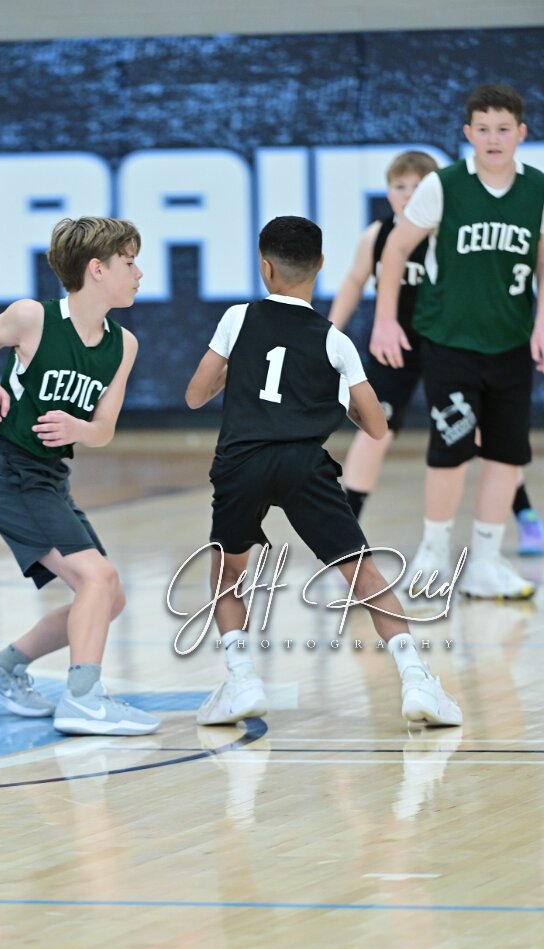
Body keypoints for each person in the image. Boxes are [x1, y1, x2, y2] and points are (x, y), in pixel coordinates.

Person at [184, 215, 461, 729]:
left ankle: (241, 679)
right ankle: (417, 679)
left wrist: (233, 374)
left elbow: (196, 395)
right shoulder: (334, 340)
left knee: (228, 571)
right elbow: (376, 426)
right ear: (321, 267)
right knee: (364, 574)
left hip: (241, 461)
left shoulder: (238, 318)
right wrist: (344, 403)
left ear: (265, 267)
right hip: (303, 464)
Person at [0, 216, 160, 737]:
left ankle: (1, 668)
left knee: (107, 596)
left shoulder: (124, 345)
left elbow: (104, 430)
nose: (139, 273)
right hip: (9, 471)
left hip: (49, 478)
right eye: (129, 263)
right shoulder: (33, 317)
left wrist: (79, 428)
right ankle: (84, 697)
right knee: (98, 580)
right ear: (97, 269)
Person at [370, 83, 544, 599]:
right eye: (483, 129)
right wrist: (385, 320)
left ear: (521, 133)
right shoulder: (443, 185)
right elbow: (395, 249)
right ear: (468, 133)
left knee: (507, 456)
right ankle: (434, 555)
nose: (493, 139)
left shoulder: (537, 188)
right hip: (449, 341)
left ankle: (485, 563)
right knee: (450, 449)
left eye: (503, 129)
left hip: (511, 342)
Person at [331, 150, 437, 518]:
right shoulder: (376, 235)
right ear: (388, 191)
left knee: (479, 429)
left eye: (419, 187)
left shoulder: (449, 233)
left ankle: (523, 511)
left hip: (445, 344)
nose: (409, 195)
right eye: (400, 186)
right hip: (394, 346)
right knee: (376, 428)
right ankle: (348, 522)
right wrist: (329, 332)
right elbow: (354, 281)